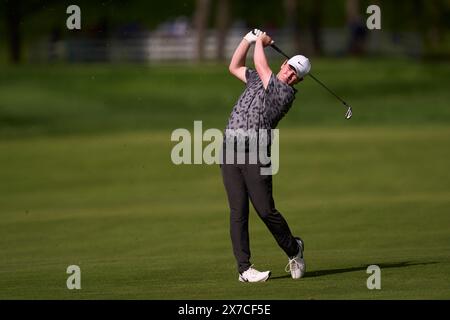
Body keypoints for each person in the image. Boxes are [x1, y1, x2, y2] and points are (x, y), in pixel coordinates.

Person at [220, 29, 311, 282]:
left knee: (265, 210)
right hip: (229, 150)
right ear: (284, 63)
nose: (290, 74)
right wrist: (247, 40)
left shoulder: (284, 94)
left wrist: (260, 42)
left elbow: (261, 65)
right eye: (290, 67)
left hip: (256, 154)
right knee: (237, 211)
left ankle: (294, 249)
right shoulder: (258, 80)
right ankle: (244, 269)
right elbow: (234, 66)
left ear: (298, 81)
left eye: (296, 74)